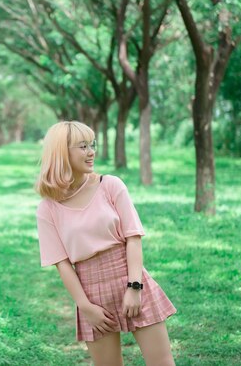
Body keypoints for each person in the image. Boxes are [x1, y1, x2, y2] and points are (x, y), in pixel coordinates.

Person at [35, 121, 176, 366]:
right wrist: (85, 306)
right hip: (90, 292)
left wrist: (135, 287)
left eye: (92, 144)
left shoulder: (110, 185)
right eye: (82, 146)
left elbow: (133, 237)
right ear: (61, 153)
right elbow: (62, 264)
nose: (91, 152)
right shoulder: (48, 208)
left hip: (128, 277)